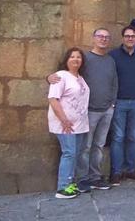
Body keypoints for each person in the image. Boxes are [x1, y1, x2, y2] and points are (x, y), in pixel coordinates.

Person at [46, 28, 117, 192]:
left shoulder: (106, 62)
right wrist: (48, 78)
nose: (103, 39)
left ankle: (92, 178)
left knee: (95, 146)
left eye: (107, 37)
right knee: (80, 150)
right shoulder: (76, 65)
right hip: (80, 116)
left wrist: (112, 103)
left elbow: (114, 82)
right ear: (93, 38)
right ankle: (78, 181)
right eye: (100, 36)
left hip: (98, 113)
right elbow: (57, 85)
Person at [109, 25, 135, 185]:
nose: (130, 38)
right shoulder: (113, 56)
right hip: (118, 102)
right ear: (122, 38)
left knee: (133, 138)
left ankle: (131, 169)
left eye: (133, 36)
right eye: (127, 36)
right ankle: (116, 172)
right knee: (118, 137)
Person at [47, 48, 90, 199]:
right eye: (72, 57)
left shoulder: (80, 78)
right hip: (65, 124)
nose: (75, 59)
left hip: (79, 124)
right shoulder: (60, 76)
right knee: (69, 153)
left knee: (75, 154)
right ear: (66, 60)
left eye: (78, 57)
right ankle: (63, 187)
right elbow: (53, 99)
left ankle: (71, 183)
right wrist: (64, 119)